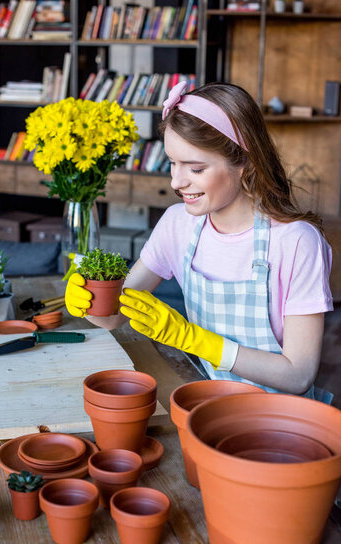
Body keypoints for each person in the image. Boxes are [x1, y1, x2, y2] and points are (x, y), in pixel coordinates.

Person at [65, 81, 333, 402]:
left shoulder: (297, 242)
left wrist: (194, 339)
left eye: (196, 168)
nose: (177, 182)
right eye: (172, 163)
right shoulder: (178, 224)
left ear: (244, 162)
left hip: (277, 419)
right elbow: (118, 315)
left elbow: (298, 374)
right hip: (206, 400)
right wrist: (92, 300)